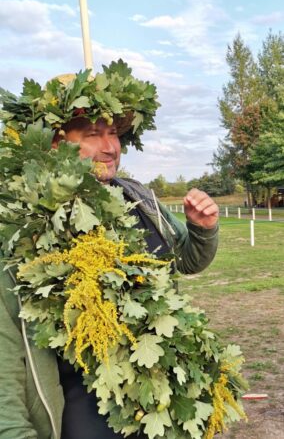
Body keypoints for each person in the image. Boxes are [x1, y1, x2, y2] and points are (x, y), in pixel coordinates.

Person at [0, 68, 219, 439]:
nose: (110, 147)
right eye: (92, 135)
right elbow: (6, 356)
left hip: (157, 395)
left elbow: (186, 261)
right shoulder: (21, 224)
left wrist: (201, 228)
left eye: (113, 133)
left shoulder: (139, 197)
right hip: (83, 409)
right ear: (56, 143)